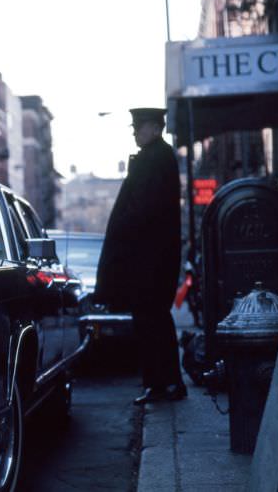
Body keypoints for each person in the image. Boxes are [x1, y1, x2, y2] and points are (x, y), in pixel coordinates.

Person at [95, 107, 186, 405]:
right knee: (151, 319)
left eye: (138, 127)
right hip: (150, 257)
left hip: (151, 258)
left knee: (151, 320)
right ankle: (161, 383)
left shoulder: (156, 158)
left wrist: (127, 231)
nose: (134, 132)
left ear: (154, 128)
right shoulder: (155, 157)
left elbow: (145, 208)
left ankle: (164, 384)